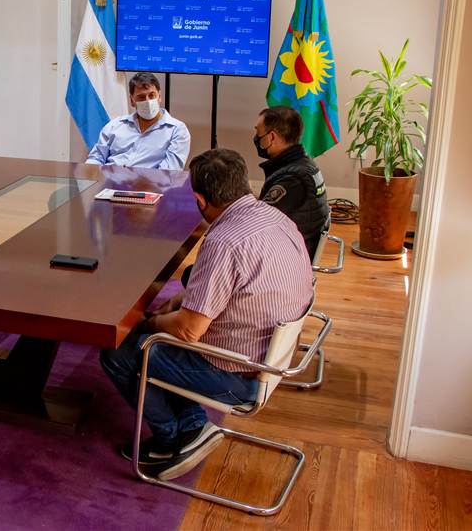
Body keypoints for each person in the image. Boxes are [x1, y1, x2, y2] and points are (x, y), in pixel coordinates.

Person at [100, 149, 313, 481]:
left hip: (241, 376)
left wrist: (147, 322)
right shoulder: (275, 218)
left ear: (200, 200)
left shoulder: (224, 241)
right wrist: (185, 299)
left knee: (124, 350)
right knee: (157, 336)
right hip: (273, 358)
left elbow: (188, 331)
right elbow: (237, 283)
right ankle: (191, 427)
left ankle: (176, 438)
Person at [253, 106, 331, 257]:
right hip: (299, 245)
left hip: (289, 258)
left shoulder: (293, 179)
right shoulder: (305, 165)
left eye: (258, 132)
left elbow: (258, 224)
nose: (256, 138)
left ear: (272, 137)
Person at [85, 72, 190, 170]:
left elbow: (169, 172)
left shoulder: (177, 130)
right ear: (132, 101)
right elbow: (96, 158)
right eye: (141, 97)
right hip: (108, 183)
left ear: (159, 97)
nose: (148, 101)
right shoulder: (114, 126)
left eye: (152, 95)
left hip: (148, 187)